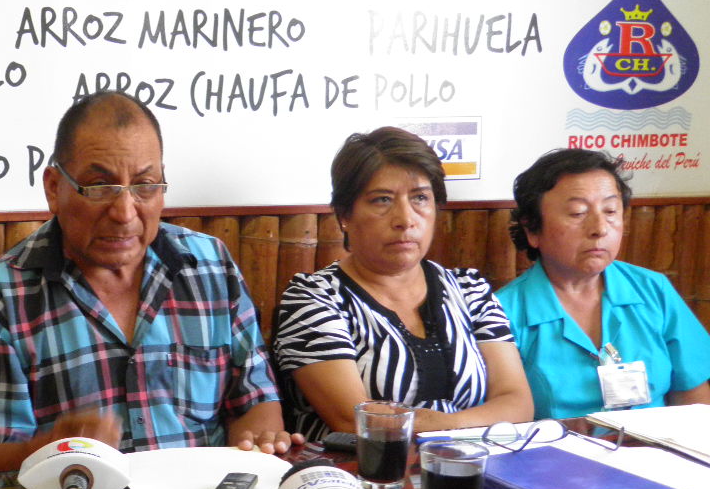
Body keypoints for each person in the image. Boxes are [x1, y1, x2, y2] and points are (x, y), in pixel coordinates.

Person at [0, 90, 295, 473]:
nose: (125, 213)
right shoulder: (4, 295)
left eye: (145, 185)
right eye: (100, 186)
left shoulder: (210, 266)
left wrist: (256, 443)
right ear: (54, 188)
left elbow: (255, 400)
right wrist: (51, 448)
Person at [271, 126, 533, 440]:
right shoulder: (314, 298)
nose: (405, 219)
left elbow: (517, 404)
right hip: (359, 467)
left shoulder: (469, 290)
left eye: (420, 198)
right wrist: (466, 424)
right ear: (344, 215)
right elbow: (354, 419)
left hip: (469, 463)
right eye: (382, 200)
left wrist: (443, 426)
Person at [496, 148, 710, 418]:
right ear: (532, 229)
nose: (600, 228)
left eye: (610, 210)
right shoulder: (502, 313)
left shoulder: (653, 289)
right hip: (556, 445)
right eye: (577, 213)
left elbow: (693, 398)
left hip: (655, 444)